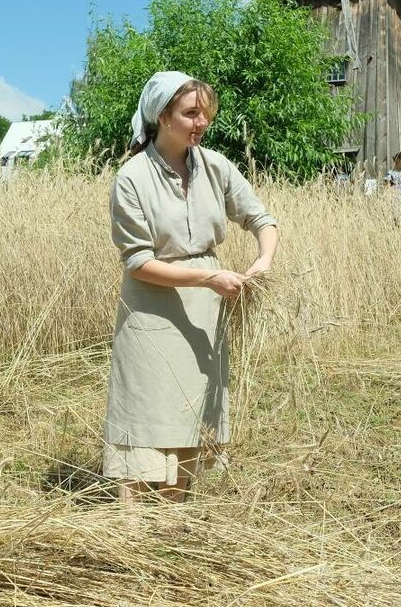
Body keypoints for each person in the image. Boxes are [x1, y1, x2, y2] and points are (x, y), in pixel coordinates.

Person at [106, 71, 279, 502]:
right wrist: (208, 277)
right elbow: (139, 262)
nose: (201, 122)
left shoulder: (216, 166)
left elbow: (261, 219)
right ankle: (128, 522)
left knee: (189, 404)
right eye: (191, 113)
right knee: (143, 404)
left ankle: (173, 511)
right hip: (151, 306)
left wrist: (263, 260)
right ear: (162, 116)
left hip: (206, 307)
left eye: (206, 114)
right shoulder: (132, 178)